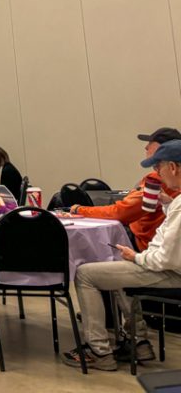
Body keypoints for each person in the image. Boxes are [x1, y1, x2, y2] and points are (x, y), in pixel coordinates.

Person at [64, 140, 181, 372]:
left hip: (170, 273)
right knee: (114, 268)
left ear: (174, 168)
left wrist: (135, 257)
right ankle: (138, 342)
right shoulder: (177, 202)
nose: (156, 172)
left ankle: (98, 351)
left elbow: (165, 260)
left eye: (159, 167)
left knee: (85, 274)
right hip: (168, 268)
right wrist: (168, 204)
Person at [69, 128, 181, 251]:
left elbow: (120, 213)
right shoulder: (167, 184)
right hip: (157, 244)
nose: (146, 147)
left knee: (84, 262)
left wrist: (79, 210)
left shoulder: (156, 180)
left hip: (144, 244)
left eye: (151, 143)